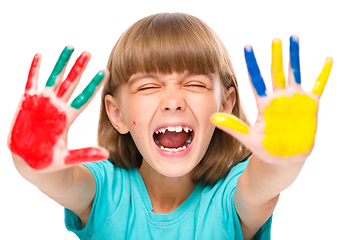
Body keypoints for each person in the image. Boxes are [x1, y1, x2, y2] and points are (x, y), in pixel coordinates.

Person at [7, 12, 332, 240]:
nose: (173, 100)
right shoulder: (104, 189)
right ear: (117, 114)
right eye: (148, 87)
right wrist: (33, 157)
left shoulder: (230, 197)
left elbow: (266, 181)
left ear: (226, 105)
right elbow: (57, 179)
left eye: (195, 84)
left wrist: (283, 157)